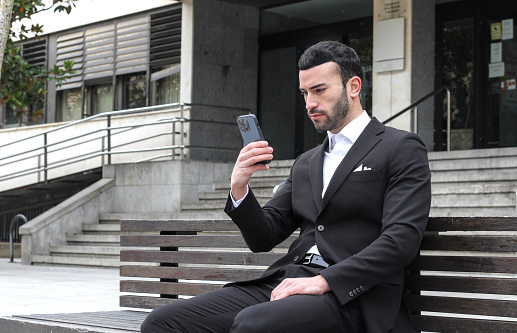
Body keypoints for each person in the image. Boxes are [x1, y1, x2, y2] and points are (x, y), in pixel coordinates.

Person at [141, 40, 431, 333]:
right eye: (304, 93)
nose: (309, 104)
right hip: (288, 281)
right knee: (162, 322)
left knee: (254, 324)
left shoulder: (399, 147)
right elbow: (263, 237)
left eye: (319, 90)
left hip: (352, 296)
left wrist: (324, 281)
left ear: (353, 87)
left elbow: (401, 240)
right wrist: (239, 187)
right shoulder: (306, 163)